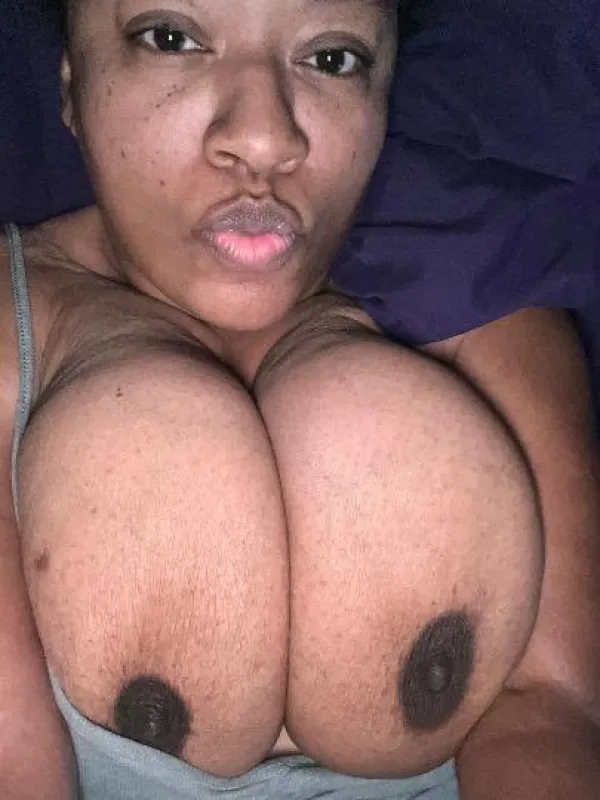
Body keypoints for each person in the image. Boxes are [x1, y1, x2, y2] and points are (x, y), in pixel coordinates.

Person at [1, 2, 599, 799]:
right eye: (172, 39)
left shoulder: (487, 297)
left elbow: (551, 714)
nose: (264, 138)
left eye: (332, 59)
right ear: (72, 90)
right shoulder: (11, 326)